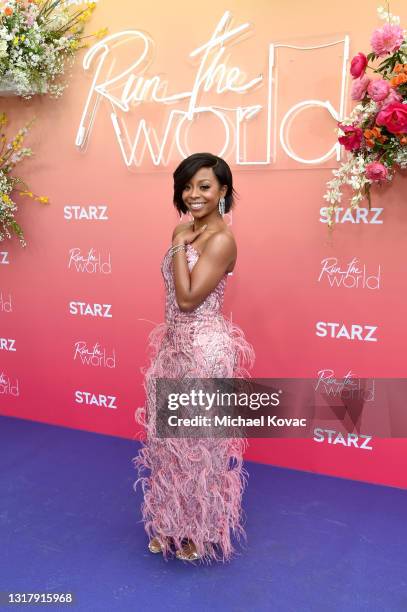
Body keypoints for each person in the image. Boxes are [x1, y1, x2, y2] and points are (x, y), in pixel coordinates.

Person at [133, 152, 255, 563]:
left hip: (206, 352)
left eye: (204, 186)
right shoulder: (185, 229)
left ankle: (199, 530)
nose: (193, 194)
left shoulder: (222, 240)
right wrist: (180, 240)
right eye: (187, 186)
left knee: (200, 447)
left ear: (223, 191)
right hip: (173, 348)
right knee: (171, 444)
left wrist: (176, 246)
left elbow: (186, 299)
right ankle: (169, 521)